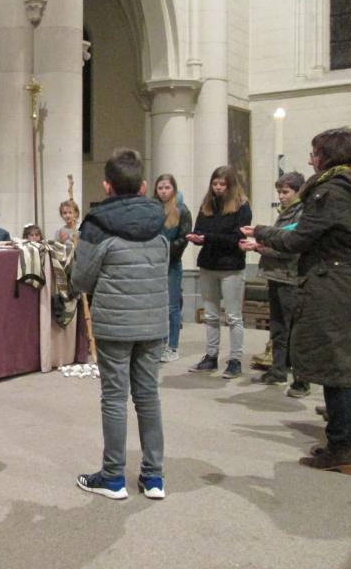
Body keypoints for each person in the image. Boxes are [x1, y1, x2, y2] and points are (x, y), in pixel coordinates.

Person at [242, 127, 351, 472]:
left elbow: (298, 239)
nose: (311, 159)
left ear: (329, 156)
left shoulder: (331, 191)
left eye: (315, 153)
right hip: (347, 279)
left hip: (333, 283)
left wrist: (261, 231)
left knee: (337, 367)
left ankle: (342, 448)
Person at [72, 148, 169, 500]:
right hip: (154, 321)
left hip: (114, 323)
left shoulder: (97, 225)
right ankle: (153, 477)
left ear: (106, 186)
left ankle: (113, 478)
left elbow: (80, 280)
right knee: (148, 397)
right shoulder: (161, 221)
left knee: (114, 398)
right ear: (144, 186)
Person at [240, 172, 306, 392]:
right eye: (279, 192)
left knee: (293, 330)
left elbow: (291, 247)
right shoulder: (285, 212)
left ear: (298, 192)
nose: (281, 196)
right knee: (278, 327)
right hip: (276, 275)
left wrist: (258, 247)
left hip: (290, 277)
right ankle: (278, 370)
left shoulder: (302, 213)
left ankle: (301, 378)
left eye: (285, 192)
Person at [186, 166, 252, 378]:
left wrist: (209, 237)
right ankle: (211, 357)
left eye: (222, 184)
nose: (218, 188)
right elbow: (200, 230)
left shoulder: (242, 206)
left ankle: (235, 360)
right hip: (208, 264)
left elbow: (236, 238)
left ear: (230, 185)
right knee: (211, 315)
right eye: (215, 184)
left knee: (233, 316)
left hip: (231, 266)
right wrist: (197, 237)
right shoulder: (207, 204)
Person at [153, 174, 192, 363]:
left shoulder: (182, 210)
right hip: (154, 264)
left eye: (167, 187)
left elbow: (184, 238)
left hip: (172, 263)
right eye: (160, 188)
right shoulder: (152, 209)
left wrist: (166, 249)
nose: (163, 191)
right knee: (157, 307)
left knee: (172, 307)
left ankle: (173, 346)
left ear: (173, 189)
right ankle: (159, 343)